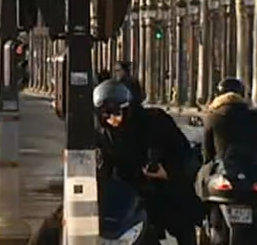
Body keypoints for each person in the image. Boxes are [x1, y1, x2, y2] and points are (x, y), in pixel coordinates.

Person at [28, 80, 200, 245]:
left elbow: (185, 155)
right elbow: (92, 160)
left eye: (116, 112)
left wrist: (167, 171)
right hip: (118, 191)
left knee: (180, 221)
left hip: (157, 187)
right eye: (105, 115)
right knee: (56, 221)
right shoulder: (99, 132)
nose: (112, 119)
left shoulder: (156, 122)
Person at [195, 78, 257, 197]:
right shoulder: (254, 117)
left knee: (201, 185)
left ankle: (201, 212)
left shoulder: (213, 117)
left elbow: (207, 150)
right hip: (252, 170)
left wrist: (208, 164)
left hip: (222, 169)